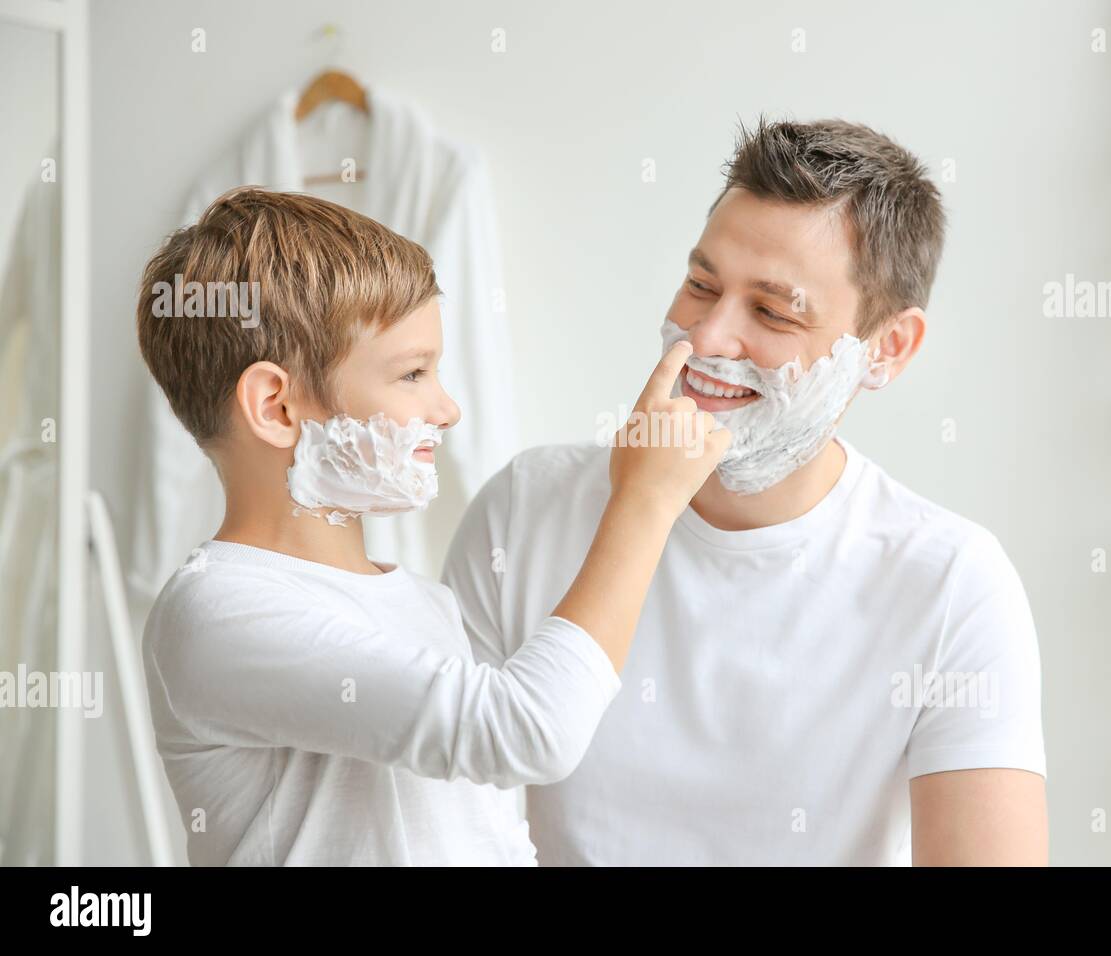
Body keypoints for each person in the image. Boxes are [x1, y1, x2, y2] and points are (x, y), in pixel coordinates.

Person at [444, 118, 1049, 866]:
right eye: (701, 285)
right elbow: (441, 830)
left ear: (887, 349)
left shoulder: (952, 584)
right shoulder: (522, 513)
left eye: (773, 312)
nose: (706, 338)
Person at [135, 187, 728, 865]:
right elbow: (530, 731)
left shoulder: (424, 603)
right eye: (413, 373)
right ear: (275, 406)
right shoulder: (220, 611)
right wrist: (645, 500)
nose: (447, 409)